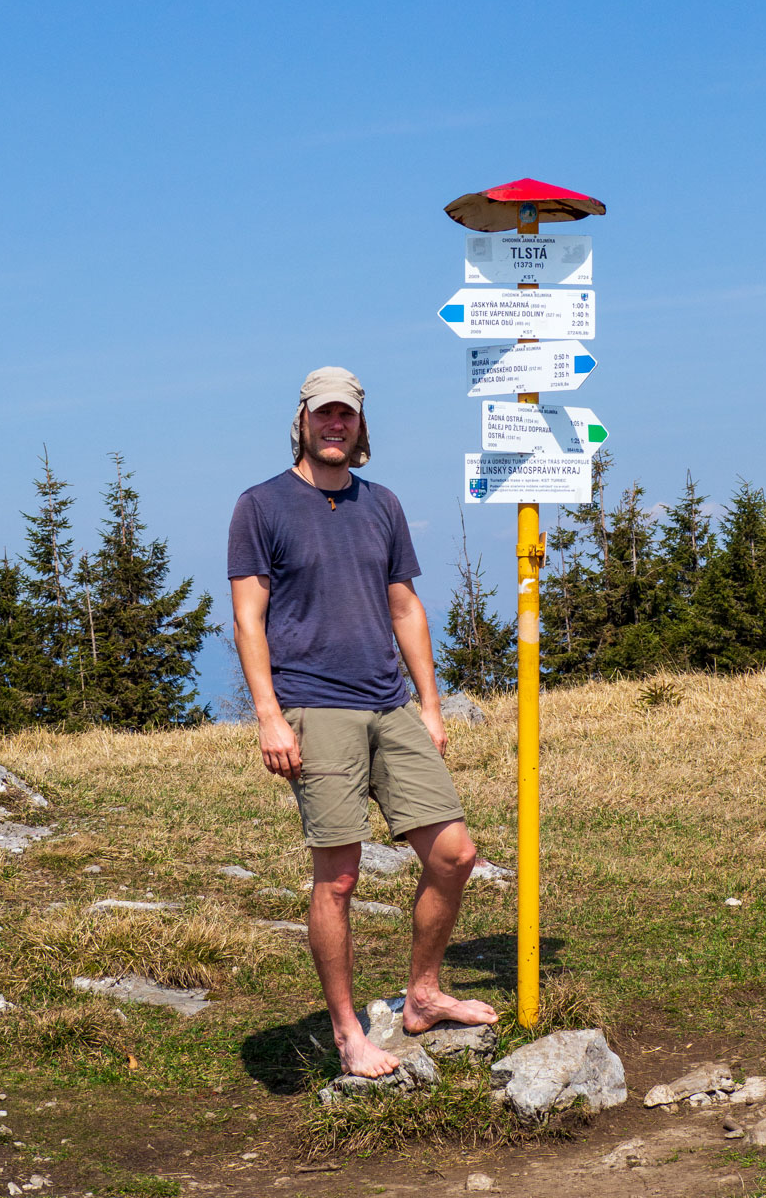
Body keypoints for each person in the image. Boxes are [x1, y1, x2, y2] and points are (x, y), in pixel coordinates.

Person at [228, 366, 497, 1078]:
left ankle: (423, 994)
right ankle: (349, 1033)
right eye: (324, 414)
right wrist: (268, 718)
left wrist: (430, 706)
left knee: (454, 854)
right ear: (303, 420)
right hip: (314, 707)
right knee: (338, 878)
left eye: (346, 415)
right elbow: (248, 620)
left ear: (360, 424)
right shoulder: (261, 506)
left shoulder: (382, 505)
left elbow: (405, 608)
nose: (335, 425)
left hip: (389, 703)